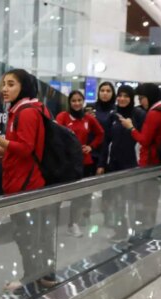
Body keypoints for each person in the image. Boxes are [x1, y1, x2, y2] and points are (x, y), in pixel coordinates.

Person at [0, 69, 58, 292]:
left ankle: (31, 280)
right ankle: (42, 275)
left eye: (11, 84)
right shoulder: (25, 110)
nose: (4, 89)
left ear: (24, 87)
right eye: (3, 83)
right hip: (25, 181)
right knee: (32, 235)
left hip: (26, 185)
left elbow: (25, 149)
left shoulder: (27, 112)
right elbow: (15, 151)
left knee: (27, 236)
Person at [98, 85, 145, 241]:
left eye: (126, 96)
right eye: (120, 95)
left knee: (131, 200)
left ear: (131, 98)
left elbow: (144, 139)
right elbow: (106, 142)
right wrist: (102, 164)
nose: (122, 99)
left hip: (133, 165)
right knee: (117, 200)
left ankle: (134, 231)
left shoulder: (138, 114)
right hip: (115, 165)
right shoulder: (114, 116)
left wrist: (131, 127)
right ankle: (121, 229)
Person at [56, 90, 104, 237]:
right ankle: (52, 224)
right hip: (65, 163)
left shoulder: (88, 119)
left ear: (83, 102)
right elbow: (56, 136)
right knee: (59, 194)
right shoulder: (63, 117)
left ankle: (73, 223)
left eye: (79, 100)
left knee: (80, 195)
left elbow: (100, 133)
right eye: (73, 101)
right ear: (69, 102)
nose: (76, 103)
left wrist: (91, 146)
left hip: (84, 162)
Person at [120, 83, 161, 167]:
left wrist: (131, 127)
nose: (140, 102)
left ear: (150, 96)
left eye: (141, 98)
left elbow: (144, 141)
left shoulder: (154, 113)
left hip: (152, 160)